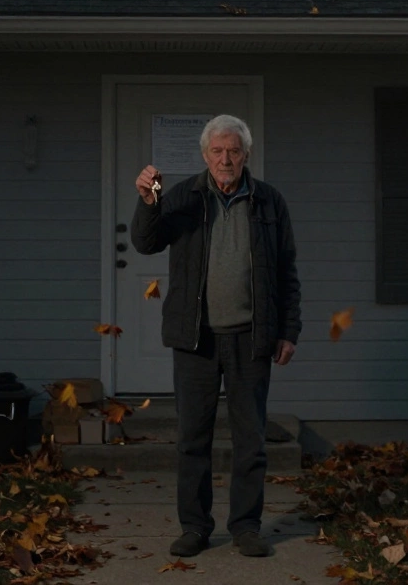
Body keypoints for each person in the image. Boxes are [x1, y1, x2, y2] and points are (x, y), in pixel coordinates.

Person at [130, 114, 301, 559]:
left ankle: (246, 527)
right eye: (218, 151)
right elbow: (146, 243)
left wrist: (289, 331)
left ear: (247, 155)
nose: (226, 159)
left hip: (251, 338)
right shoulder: (184, 197)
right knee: (192, 439)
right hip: (196, 339)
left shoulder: (269, 202)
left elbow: (286, 273)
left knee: (251, 440)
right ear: (205, 155)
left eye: (234, 151)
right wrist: (148, 201)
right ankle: (195, 527)